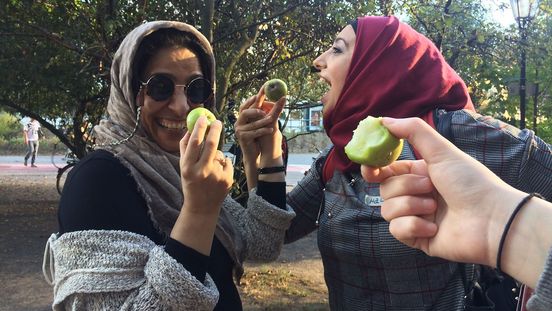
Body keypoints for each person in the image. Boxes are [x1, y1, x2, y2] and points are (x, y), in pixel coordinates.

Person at [234, 15, 552, 310]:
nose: (319, 62)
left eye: (337, 49)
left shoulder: (447, 135)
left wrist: (511, 229)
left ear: (376, 66)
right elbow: (271, 236)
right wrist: (265, 156)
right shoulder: (335, 160)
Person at [42, 21, 295, 310]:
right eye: (160, 87)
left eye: (195, 89)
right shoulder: (97, 179)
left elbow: (263, 244)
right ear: (130, 90)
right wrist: (199, 211)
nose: (180, 106)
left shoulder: (184, 169)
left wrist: (266, 154)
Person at [361, 117, 552, 311]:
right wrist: (495, 223)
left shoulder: (466, 128)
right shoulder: (332, 158)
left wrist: (496, 217)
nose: (327, 83)